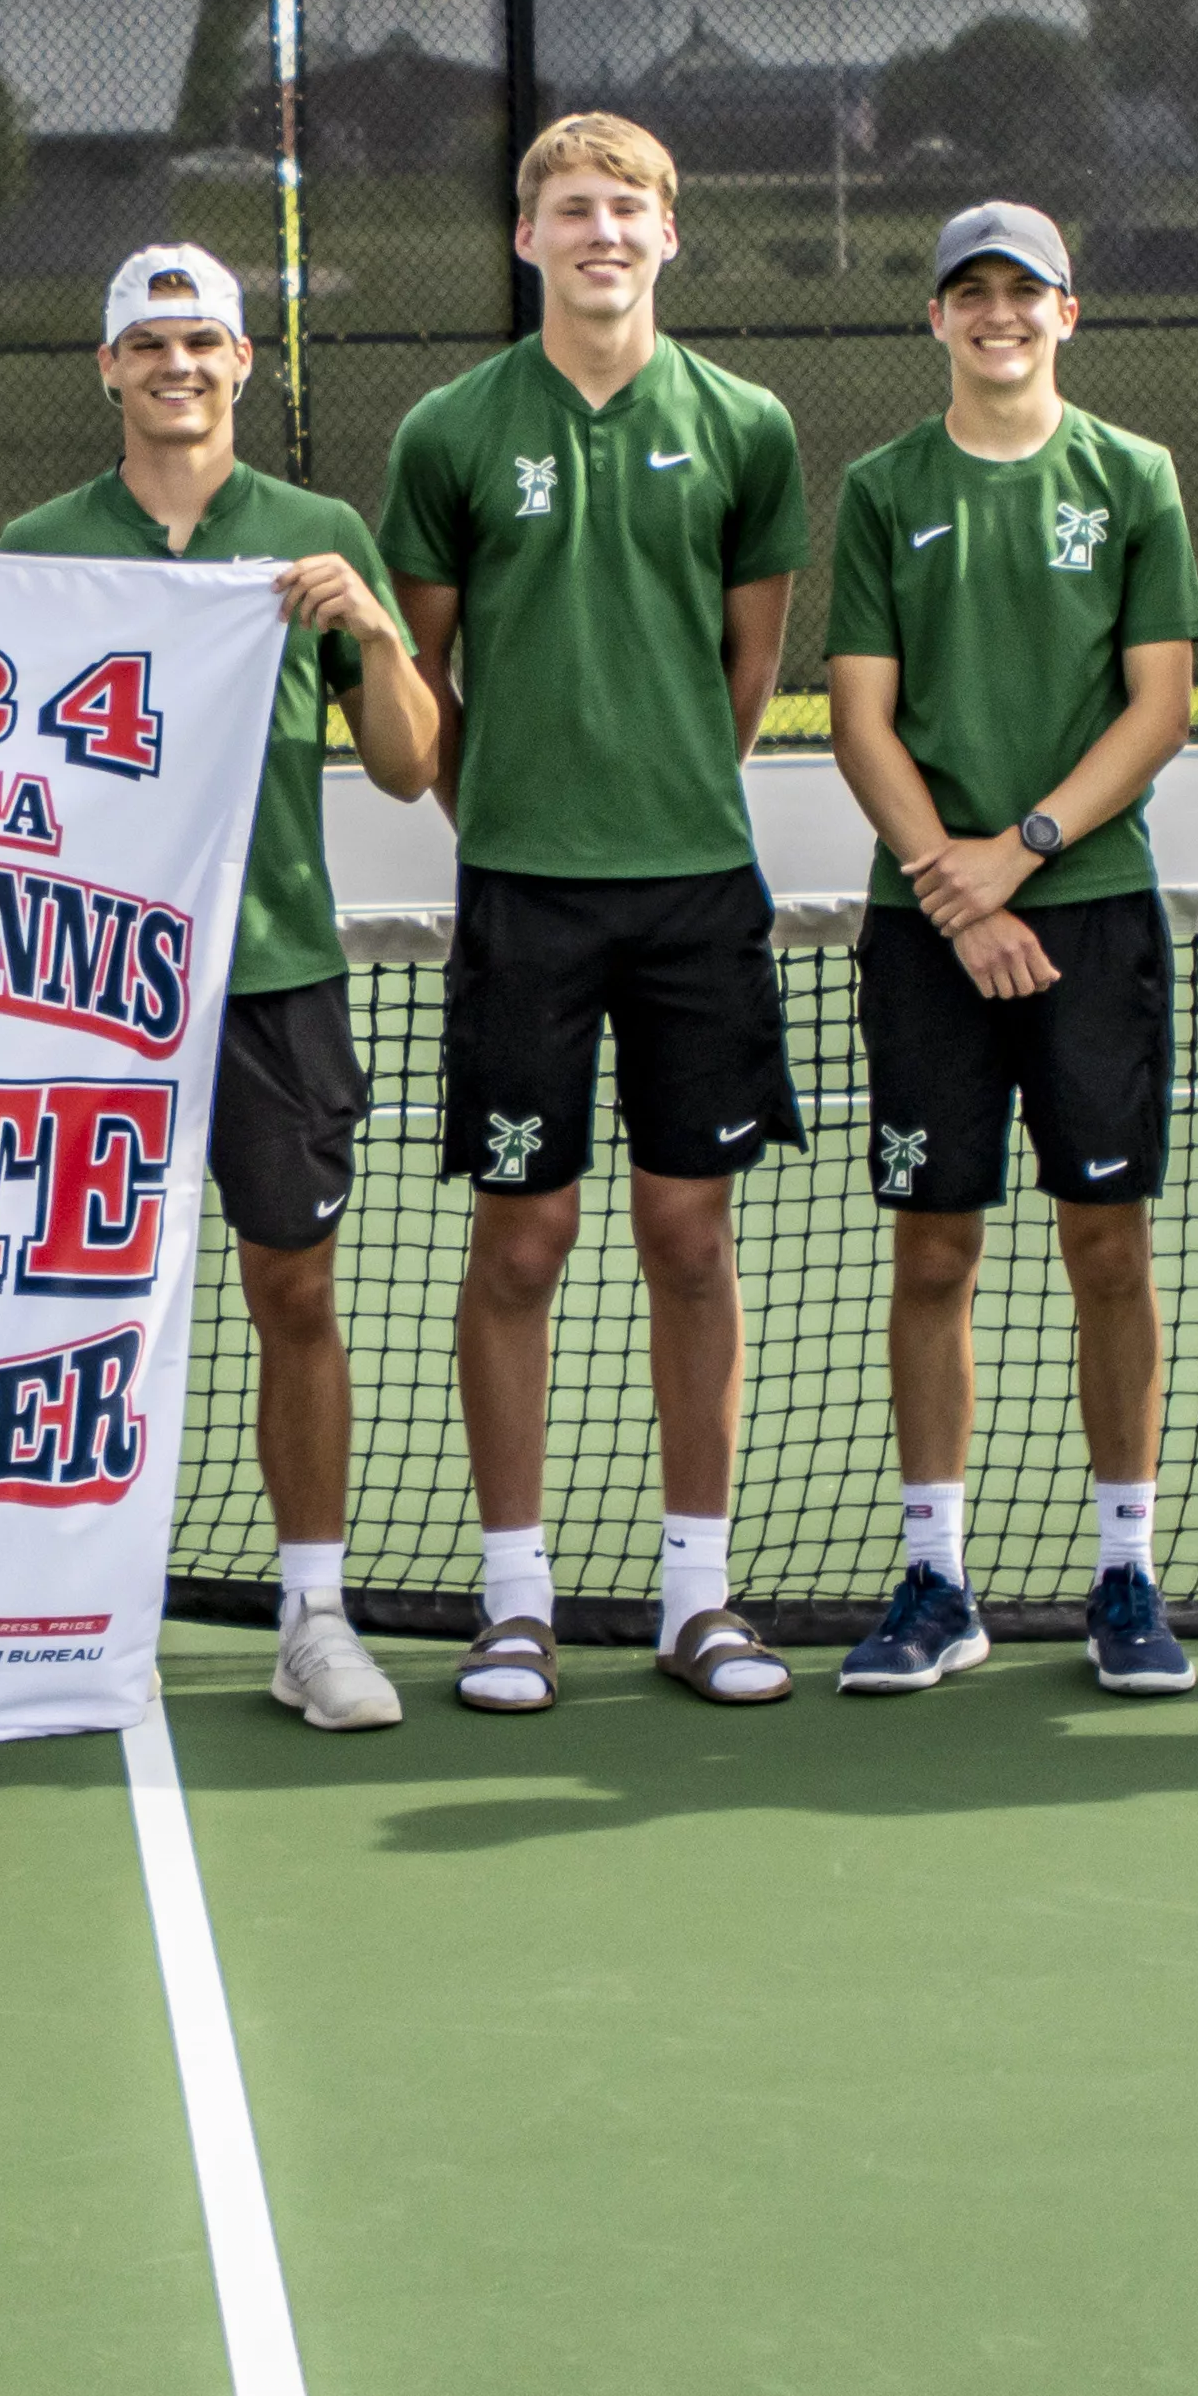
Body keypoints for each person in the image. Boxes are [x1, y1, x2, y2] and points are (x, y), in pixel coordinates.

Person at [377, 111, 809, 1714]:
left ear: (668, 236)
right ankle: (515, 1601)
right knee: (520, 1239)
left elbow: (748, 668)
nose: (600, 233)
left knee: (688, 1237)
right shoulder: (450, 429)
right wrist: (505, 812)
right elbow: (418, 683)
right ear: (524, 237)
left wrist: (667, 786)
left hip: (696, 894)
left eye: (626, 210)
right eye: (571, 209)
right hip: (520, 902)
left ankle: (698, 1595)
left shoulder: (747, 424)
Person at [0, 246, 444, 1732]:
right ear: (107, 369)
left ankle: (311, 1614)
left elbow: (405, 762)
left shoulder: (314, 534)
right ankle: (39, 1606)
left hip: (271, 980)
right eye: (148, 342)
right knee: (56, 1306)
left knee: (290, 1290)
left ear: (245, 363)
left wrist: (371, 631)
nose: (176, 365)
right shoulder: (39, 541)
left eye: (202, 340)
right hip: (76, 989)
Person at [816, 204, 1198, 1701]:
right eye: (968, 294)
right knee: (935, 1244)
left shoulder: (1134, 479)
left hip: (1090, 915)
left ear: (1066, 311)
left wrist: (1017, 859)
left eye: (1021, 293)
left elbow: (1157, 708)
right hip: (927, 932)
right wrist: (955, 898)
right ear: (934, 320)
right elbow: (859, 717)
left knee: (1106, 1244)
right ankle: (934, 1575)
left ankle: (1124, 1568)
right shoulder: (879, 489)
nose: (996, 316)